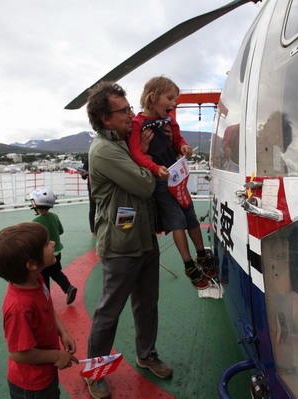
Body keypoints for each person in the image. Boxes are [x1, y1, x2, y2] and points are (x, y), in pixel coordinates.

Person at [84, 81, 172, 399]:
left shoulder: (123, 142)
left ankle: (146, 355)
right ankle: (94, 372)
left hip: (144, 238)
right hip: (121, 247)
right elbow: (145, 185)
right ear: (105, 119)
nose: (130, 115)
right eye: (123, 111)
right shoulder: (105, 150)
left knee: (147, 304)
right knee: (109, 312)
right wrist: (145, 159)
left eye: (129, 108)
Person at [128, 75, 215, 290]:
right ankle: (189, 265)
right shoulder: (137, 124)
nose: (174, 103)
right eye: (170, 98)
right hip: (160, 181)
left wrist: (183, 147)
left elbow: (178, 140)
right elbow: (137, 154)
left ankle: (201, 255)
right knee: (177, 221)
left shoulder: (169, 121)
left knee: (190, 217)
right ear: (153, 97)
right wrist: (155, 168)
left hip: (177, 177)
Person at [0, 222, 78, 398]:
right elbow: (18, 354)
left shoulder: (37, 281)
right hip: (32, 386)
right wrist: (56, 356)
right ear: (31, 264)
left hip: (46, 374)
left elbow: (49, 306)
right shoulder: (19, 307)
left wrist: (63, 332)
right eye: (46, 244)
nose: (52, 243)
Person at [29, 187, 78, 305]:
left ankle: (46, 298)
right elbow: (60, 231)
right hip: (57, 252)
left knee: (43, 277)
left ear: (36, 204)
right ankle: (68, 288)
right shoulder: (55, 216)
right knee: (56, 273)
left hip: (44, 255)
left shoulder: (35, 222)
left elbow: (34, 241)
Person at [78, 159, 97, 239]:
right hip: (92, 188)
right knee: (92, 209)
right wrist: (83, 174)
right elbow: (84, 177)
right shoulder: (88, 160)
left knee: (104, 208)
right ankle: (93, 231)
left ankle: (104, 229)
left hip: (103, 187)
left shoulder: (103, 155)